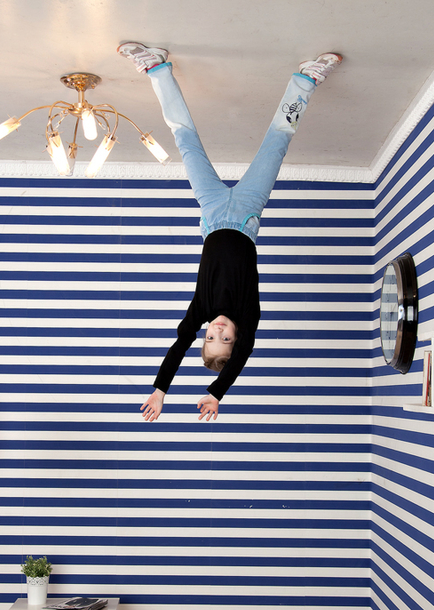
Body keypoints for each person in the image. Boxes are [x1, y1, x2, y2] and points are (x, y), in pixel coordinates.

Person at [117, 42, 342, 421]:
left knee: (185, 138)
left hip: (211, 212)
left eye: (210, 337)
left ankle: (156, 68)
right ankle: (307, 79)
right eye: (225, 339)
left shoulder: (201, 310)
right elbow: (242, 357)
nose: (218, 330)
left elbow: (178, 347)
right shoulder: (247, 315)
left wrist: (160, 390)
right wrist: (216, 392)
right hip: (247, 213)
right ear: (237, 339)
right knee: (277, 141)